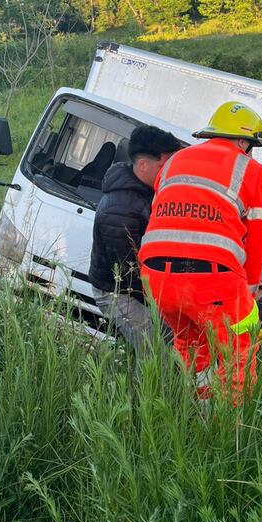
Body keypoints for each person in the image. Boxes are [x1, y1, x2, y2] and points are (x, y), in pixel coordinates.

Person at [139, 101, 262, 400]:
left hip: (156, 277)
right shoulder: (250, 169)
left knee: (191, 344)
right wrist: (249, 286)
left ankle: (197, 408)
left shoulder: (174, 161)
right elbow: (257, 234)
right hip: (212, 279)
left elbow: (163, 213)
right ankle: (229, 429)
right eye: (250, 145)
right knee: (238, 348)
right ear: (242, 141)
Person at [89, 124, 183, 354]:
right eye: (163, 166)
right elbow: (130, 270)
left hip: (140, 288)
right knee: (155, 351)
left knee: (172, 338)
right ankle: (146, 389)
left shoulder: (146, 190)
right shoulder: (121, 208)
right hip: (118, 293)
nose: (169, 172)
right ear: (143, 165)